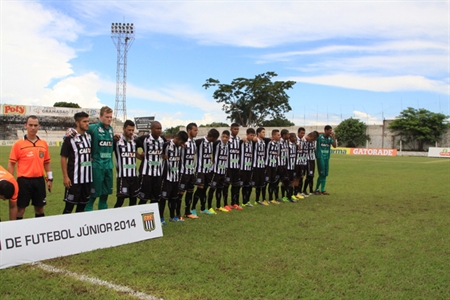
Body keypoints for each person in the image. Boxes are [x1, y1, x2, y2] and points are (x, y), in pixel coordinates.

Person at [8, 115, 52, 219]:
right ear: (25, 125)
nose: (33, 127)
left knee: (40, 209)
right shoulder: (18, 144)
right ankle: (17, 232)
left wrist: (50, 178)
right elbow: (11, 163)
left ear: (39, 126)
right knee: (20, 209)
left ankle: (39, 232)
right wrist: (11, 181)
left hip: (39, 181)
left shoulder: (43, 143)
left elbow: (47, 162)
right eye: (30, 125)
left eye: (35, 125)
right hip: (23, 181)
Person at [60, 112, 92, 214]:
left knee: (82, 208)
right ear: (77, 123)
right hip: (74, 179)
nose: (87, 124)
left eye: (88, 121)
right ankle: (64, 228)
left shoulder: (89, 137)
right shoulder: (70, 138)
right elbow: (63, 158)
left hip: (87, 180)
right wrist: (65, 176)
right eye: (84, 121)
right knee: (69, 208)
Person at [84, 106, 114, 211]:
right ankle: (87, 217)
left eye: (110, 117)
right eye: (107, 117)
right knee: (93, 194)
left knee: (105, 194)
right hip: (97, 166)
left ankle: (103, 217)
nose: (109, 119)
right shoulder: (93, 128)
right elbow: (79, 133)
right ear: (101, 116)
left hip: (109, 166)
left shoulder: (111, 130)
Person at [135, 121, 166, 206]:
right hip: (146, 174)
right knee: (143, 198)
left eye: (160, 128)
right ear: (151, 129)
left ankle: (153, 216)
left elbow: (167, 150)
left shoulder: (163, 140)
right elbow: (132, 144)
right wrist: (138, 155)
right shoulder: (144, 139)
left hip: (158, 174)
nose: (159, 130)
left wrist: (164, 155)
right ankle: (140, 215)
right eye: (157, 128)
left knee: (155, 198)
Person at [161, 131, 188, 223]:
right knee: (163, 198)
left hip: (175, 177)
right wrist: (162, 156)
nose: (182, 144)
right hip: (166, 177)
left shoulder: (180, 148)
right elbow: (158, 153)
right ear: (177, 138)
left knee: (173, 198)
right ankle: (161, 218)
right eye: (181, 142)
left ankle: (173, 217)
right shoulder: (166, 145)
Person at [191, 128, 219, 215]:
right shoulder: (199, 142)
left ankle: (203, 209)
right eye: (216, 138)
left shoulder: (212, 143)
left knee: (205, 189)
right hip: (200, 170)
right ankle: (192, 208)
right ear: (213, 137)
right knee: (200, 188)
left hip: (208, 170)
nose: (216, 140)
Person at [113, 120, 139, 208]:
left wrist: (142, 156)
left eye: (132, 130)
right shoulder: (116, 141)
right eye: (129, 130)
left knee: (133, 199)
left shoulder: (135, 141)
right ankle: (114, 218)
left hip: (134, 176)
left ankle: (132, 219)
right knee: (120, 200)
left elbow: (137, 154)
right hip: (122, 176)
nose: (131, 132)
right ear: (123, 129)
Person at [179, 123, 199, 219]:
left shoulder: (194, 143)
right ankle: (177, 214)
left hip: (191, 172)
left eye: (197, 130)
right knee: (180, 193)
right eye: (195, 130)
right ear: (189, 130)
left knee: (190, 191)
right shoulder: (183, 142)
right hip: (183, 172)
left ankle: (187, 212)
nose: (196, 132)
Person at [207, 130, 230, 213]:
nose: (224, 138)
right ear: (221, 137)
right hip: (215, 171)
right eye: (223, 136)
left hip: (223, 171)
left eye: (226, 137)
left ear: (228, 138)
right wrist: (210, 156)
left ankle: (218, 206)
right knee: (212, 189)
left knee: (220, 189)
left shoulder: (228, 145)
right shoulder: (216, 143)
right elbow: (208, 145)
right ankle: (209, 207)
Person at [315, 125, 337, 195]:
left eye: (331, 130)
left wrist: (333, 136)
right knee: (322, 174)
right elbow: (314, 133)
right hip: (320, 157)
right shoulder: (320, 137)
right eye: (330, 130)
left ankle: (318, 189)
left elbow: (334, 146)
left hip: (326, 158)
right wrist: (323, 133)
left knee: (324, 174)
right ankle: (321, 190)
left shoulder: (330, 138)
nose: (331, 132)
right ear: (326, 130)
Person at [224, 123, 242, 210]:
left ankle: (234, 203)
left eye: (237, 129)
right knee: (226, 185)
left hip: (236, 166)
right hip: (228, 166)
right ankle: (225, 204)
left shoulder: (238, 139)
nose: (236, 131)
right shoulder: (227, 139)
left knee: (236, 185)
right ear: (231, 129)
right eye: (235, 129)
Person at [252, 127, 268, 206]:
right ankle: (255, 200)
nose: (264, 133)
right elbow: (251, 139)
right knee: (256, 184)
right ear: (258, 133)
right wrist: (254, 138)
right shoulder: (255, 141)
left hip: (262, 166)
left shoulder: (264, 141)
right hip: (256, 166)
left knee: (262, 183)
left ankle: (261, 199)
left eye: (264, 132)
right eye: (263, 132)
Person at [240, 128, 255, 207]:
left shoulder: (253, 143)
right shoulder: (241, 142)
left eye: (253, 135)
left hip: (250, 168)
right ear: (247, 134)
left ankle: (247, 201)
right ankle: (241, 201)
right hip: (242, 168)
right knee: (241, 185)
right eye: (250, 135)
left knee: (249, 185)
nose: (252, 137)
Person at [265, 129, 281, 205]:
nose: (279, 136)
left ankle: (271, 198)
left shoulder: (278, 144)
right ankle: (263, 199)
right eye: (278, 135)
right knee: (266, 183)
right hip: (268, 166)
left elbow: (277, 155)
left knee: (273, 182)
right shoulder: (269, 143)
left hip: (274, 165)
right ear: (273, 136)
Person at [302, 131, 319, 196]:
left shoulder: (313, 140)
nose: (312, 141)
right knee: (309, 175)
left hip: (312, 159)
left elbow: (316, 133)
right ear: (310, 136)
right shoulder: (303, 141)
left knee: (312, 175)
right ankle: (303, 190)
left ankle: (311, 190)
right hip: (307, 160)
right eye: (312, 139)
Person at [294, 127, 307, 198]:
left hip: (301, 162)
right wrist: (296, 143)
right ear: (298, 132)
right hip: (295, 162)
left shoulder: (303, 140)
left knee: (299, 177)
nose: (302, 134)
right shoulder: (294, 139)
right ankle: (292, 193)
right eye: (301, 133)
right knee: (294, 178)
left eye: (303, 133)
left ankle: (297, 192)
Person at [285, 133, 299, 202]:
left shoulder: (295, 145)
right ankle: (285, 196)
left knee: (292, 180)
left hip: (293, 166)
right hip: (288, 166)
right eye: (293, 137)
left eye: (295, 137)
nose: (295, 138)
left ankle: (290, 195)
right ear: (290, 138)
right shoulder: (287, 145)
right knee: (286, 181)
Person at [279, 129, 290, 202]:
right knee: (279, 181)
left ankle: (284, 196)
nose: (289, 135)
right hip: (280, 165)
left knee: (285, 180)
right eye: (287, 134)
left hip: (285, 164)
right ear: (283, 135)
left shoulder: (286, 142)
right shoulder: (279, 142)